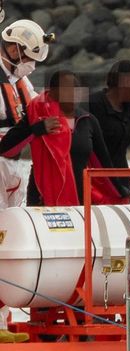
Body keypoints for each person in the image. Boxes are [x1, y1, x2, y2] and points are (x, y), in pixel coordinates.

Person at [0, 70, 130, 206]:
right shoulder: (37, 115)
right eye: (67, 88)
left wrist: (123, 191)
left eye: (76, 88)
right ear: (52, 92)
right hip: (42, 201)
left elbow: (103, 166)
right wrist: (38, 128)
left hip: (78, 202)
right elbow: (6, 148)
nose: (73, 93)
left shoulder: (88, 121)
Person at [0, 19, 50, 209]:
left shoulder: (18, 79)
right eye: (30, 60)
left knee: (13, 214)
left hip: (11, 163)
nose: (32, 66)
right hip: (3, 159)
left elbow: (36, 103)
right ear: (14, 51)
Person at [89, 60, 130, 195]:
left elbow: (119, 151)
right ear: (126, 81)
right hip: (95, 185)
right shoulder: (92, 104)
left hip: (122, 183)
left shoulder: (128, 109)